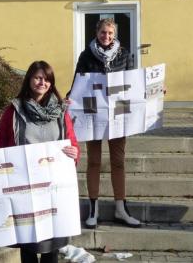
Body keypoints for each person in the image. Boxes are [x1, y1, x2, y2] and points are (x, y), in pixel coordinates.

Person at [0, 61, 80, 263]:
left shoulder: (61, 112)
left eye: (47, 79)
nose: (43, 82)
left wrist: (74, 152)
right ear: (29, 79)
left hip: (53, 189)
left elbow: (72, 143)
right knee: (28, 246)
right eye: (38, 77)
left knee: (52, 246)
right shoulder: (13, 111)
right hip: (24, 189)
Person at [71, 18, 140, 229]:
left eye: (110, 33)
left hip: (118, 114)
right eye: (103, 33)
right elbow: (77, 83)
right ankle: (94, 208)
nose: (106, 37)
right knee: (94, 162)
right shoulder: (86, 55)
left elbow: (134, 83)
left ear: (115, 34)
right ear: (97, 33)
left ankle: (121, 208)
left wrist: (154, 90)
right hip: (93, 113)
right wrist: (69, 98)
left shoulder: (124, 54)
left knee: (118, 161)